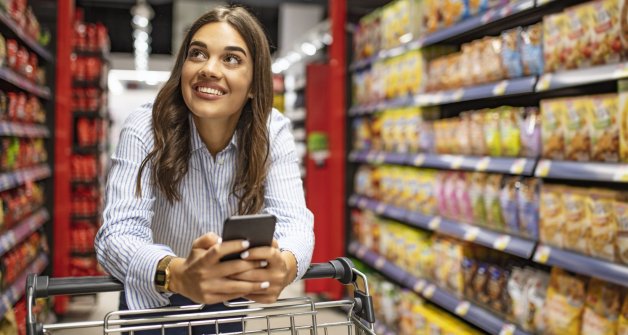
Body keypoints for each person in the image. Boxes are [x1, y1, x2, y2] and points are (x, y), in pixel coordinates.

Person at [94, 5, 314, 334]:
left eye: (231, 58)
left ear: (254, 84)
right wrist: (178, 273)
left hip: (227, 300)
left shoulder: (271, 130)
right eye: (197, 54)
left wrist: (285, 263)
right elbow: (117, 234)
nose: (209, 69)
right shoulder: (146, 126)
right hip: (156, 297)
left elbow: (296, 221)